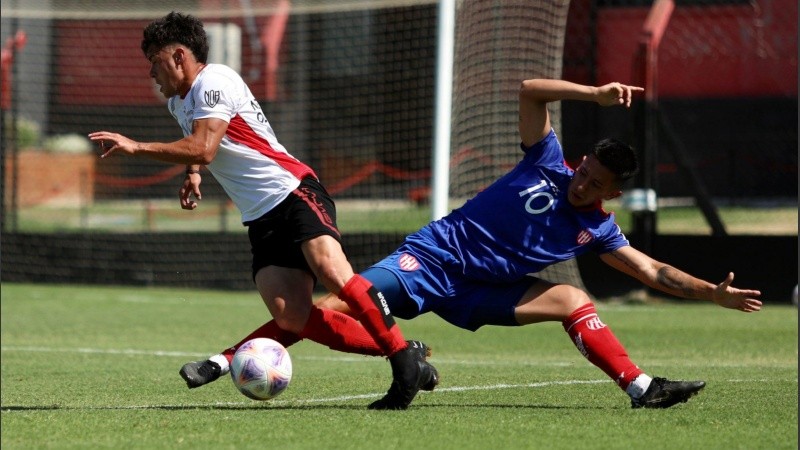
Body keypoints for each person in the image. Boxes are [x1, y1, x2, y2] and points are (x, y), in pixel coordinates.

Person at [181, 77, 764, 409]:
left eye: (597, 185)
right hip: (432, 259)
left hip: (487, 290)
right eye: (584, 172)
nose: (583, 184)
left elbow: (652, 271)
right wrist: (592, 95)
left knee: (571, 301)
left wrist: (710, 293)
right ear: (580, 161)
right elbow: (531, 91)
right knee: (329, 304)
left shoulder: (598, 229)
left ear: (612, 191)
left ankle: (641, 387)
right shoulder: (546, 161)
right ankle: (229, 357)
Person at [88, 11, 437, 410]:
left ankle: (403, 372)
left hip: (292, 191)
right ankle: (403, 352)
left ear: (180, 56)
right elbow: (201, 147)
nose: (151, 72)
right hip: (261, 216)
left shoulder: (215, 80)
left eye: (154, 60)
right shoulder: (177, 101)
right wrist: (194, 174)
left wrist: (137, 146)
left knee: (334, 273)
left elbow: (205, 145)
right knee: (291, 317)